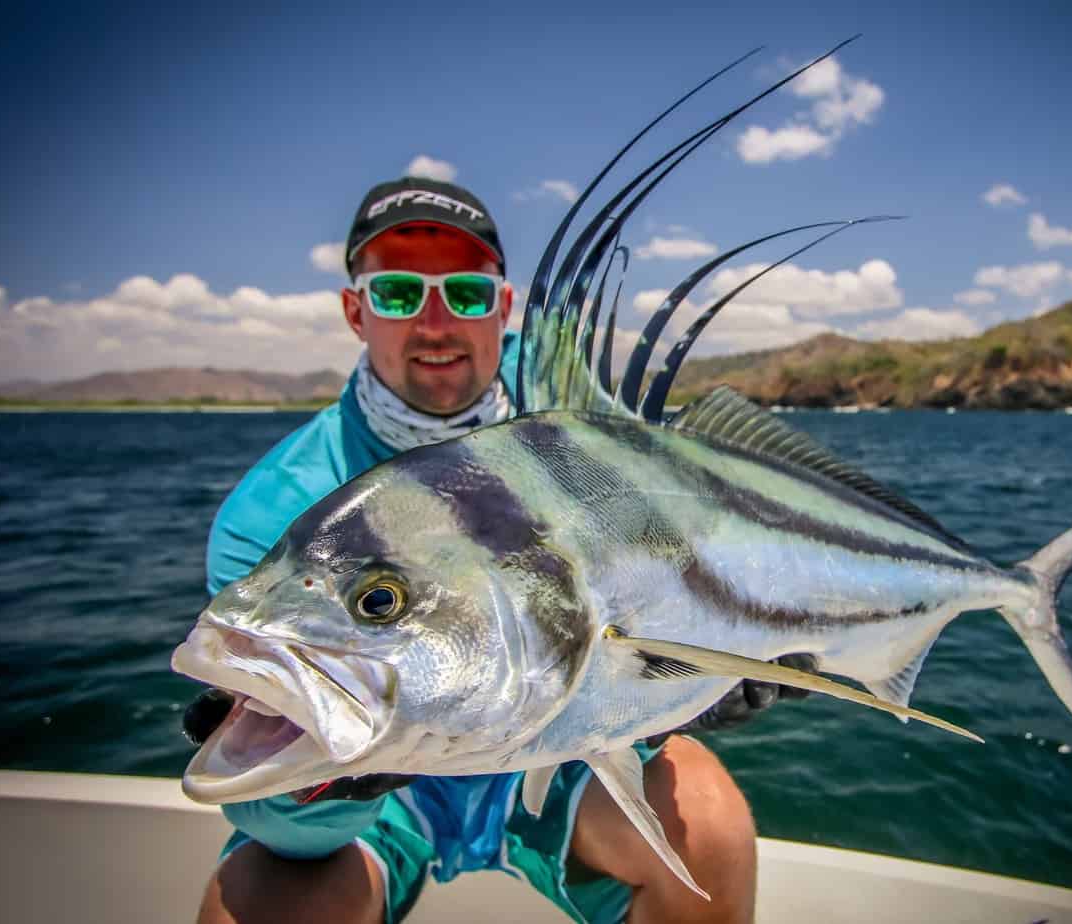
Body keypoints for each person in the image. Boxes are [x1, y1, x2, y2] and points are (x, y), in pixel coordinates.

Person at [187, 176, 795, 924]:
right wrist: (312, 785)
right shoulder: (273, 509)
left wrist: (682, 681)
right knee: (253, 908)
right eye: (400, 294)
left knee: (708, 825)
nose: (436, 324)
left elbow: (690, 549)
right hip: (392, 803)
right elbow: (280, 827)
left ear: (503, 309)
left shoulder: (578, 427)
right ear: (356, 310)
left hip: (555, 756)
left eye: (468, 295)